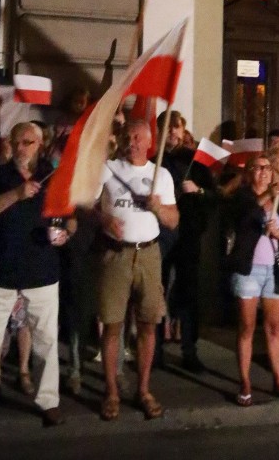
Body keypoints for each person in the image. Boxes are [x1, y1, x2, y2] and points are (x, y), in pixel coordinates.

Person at [0, 120, 67, 429]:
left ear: (41, 144)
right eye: (16, 142)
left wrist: (64, 234)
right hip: (0, 269)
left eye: (28, 142)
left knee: (45, 341)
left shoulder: (54, 176)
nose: (21, 148)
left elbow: (69, 220)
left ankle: (48, 401)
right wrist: (16, 194)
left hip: (42, 270)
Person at [96, 119, 179, 421]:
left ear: (149, 143)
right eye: (127, 136)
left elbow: (173, 220)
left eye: (138, 138)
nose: (132, 142)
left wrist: (158, 208)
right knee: (112, 325)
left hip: (148, 255)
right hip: (115, 255)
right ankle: (111, 392)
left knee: (147, 324)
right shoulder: (108, 168)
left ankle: (143, 389)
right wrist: (103, 219)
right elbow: (83, 203)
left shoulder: (161, 175)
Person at [224, 153, 279, 406]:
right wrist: (267, 195)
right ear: (248, 173)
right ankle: (245, 382)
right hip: (249, 269)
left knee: (274, 328)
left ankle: (278, 380)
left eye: (268, 168)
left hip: (273, 270)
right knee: (246, 327)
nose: (264, 172)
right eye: (257, 168)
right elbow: (243, 217)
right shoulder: (242, 197)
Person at [158, 109, 215, 372]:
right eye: (167, 128)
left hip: (188, 235)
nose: (172, 133)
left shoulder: (196, 161)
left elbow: (213, 197)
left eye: (176, 128)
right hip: (159, 237)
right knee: (157, 293)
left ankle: (190, 350)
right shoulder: (154, 161)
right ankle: (155, 349)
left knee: (188, 293)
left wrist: (198, 189)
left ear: (183, 130)